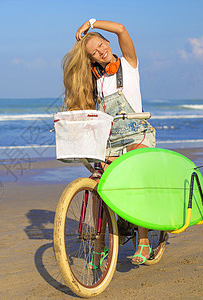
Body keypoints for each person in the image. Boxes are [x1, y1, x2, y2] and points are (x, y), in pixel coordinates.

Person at [62, 19, 156, 265]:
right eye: (95, 52)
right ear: (92, 60)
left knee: (133, 173)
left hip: (138, 135)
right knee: (97, 187)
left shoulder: (129, 64)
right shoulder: (95, 81)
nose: (102, 51)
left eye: (102, 44)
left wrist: (91, 23)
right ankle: (99, 245)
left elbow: (122, 28)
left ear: (108, 42)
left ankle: (144, 240)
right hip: (110, 142)